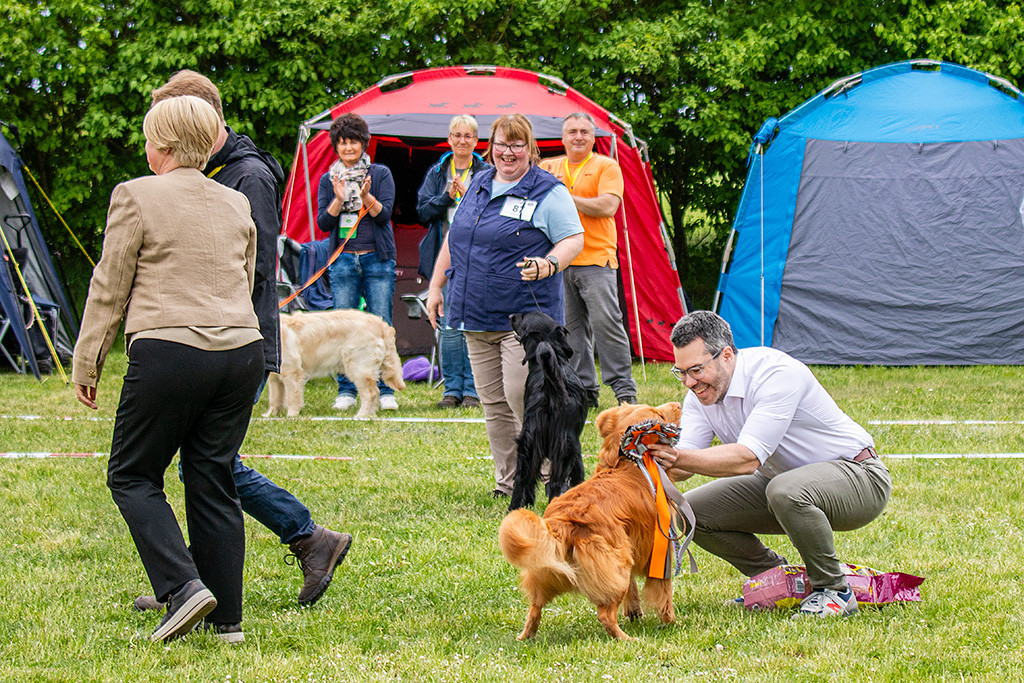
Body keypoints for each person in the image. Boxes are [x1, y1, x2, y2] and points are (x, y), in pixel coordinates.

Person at [145, 70, 352, 610]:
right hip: (213, 336)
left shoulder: (249, 176)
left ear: (200, 117)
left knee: (208, 462)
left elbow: (257, 264)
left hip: (240, 339)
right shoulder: (210, 169)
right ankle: (196, 580)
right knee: (206, 461)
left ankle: (303, 539)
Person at [73, 95, 263, 642]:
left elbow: (110, 284)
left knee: (131, 474)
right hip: (240, 351)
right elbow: (247, 277)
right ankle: (228, 621)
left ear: (165, 146)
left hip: (170, 350)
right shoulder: (235, 202)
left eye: (149, 138)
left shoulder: (134, 194)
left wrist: (89, 361)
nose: (146, 148)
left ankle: (182, 587)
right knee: (213, 477)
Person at [646, 311, 892, 617]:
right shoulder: (699, 395)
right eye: (680, 372)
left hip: (860, 478)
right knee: (687, 512)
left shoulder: (774, 373)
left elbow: (748, 458)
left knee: (784, 490)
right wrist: (643, 459)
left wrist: (676, 456)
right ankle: (779, 581)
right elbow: (684, 466)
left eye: (696, 370)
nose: (689, 382)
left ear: (725, 355)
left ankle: (834, 591)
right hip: (784, 484)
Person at [425, 113, 584, 497]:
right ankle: (509, 482)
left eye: (516, 144)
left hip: (528, 317)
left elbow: (573, 239)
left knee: (523, 395)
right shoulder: (478, 182)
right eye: (501, 143)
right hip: (474, 310)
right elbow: (455, 238)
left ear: (529, 148)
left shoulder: (548, 190)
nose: (507, 152)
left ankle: (551, 477)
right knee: (493, 403)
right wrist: (435, 286)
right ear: (490, 146)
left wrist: (548, 263)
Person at [540, 113, 636, 407]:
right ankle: (584, 393)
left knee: (607, 325)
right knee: (571, 332)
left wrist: (564, 197)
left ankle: (624, 393)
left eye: (584, 131)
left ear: (594, 138)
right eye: (573, 131)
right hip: (559, 260)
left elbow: (608, 206)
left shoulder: (606, 166)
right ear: (563, 137)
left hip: (597, 259)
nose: (578, 136)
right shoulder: (547, 166)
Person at [316, 113, 398, 411]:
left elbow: (385, 215)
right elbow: (324, 223)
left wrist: (366, 197)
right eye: (342, 143)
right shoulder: (329, 178)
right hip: (343, 261)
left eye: (353, 142)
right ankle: (346, 390)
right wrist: (338, 199)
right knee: (343, 328)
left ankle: (386, 389)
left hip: (377, 260)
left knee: (381, 325)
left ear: (364, 143)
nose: (348, 147)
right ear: (335, 146)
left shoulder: (380, 173)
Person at [416, 115, 488, 409]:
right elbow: (422, 212)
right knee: (448, 325)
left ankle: (472, 389)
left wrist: (467, 196)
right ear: (449, 139)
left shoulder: (486, 171)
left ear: (476, 141)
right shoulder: (438, 171)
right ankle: (452, 388)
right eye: (456, 135)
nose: (462, 141)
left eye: (468, 136)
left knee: (474, 324)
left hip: (478, 258)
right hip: (444, 259)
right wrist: (447, 197)